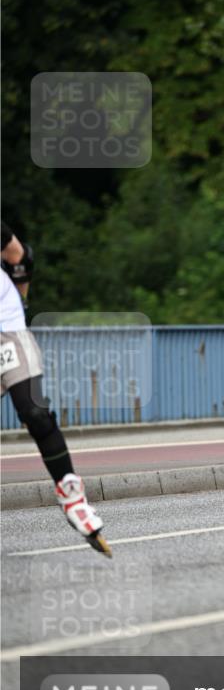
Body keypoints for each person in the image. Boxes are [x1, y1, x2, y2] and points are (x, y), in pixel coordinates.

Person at [1, 220, 111, 556]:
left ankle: (72, 494)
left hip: (6, 325)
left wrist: (20, 302)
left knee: (34, 411)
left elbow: (18, 255)